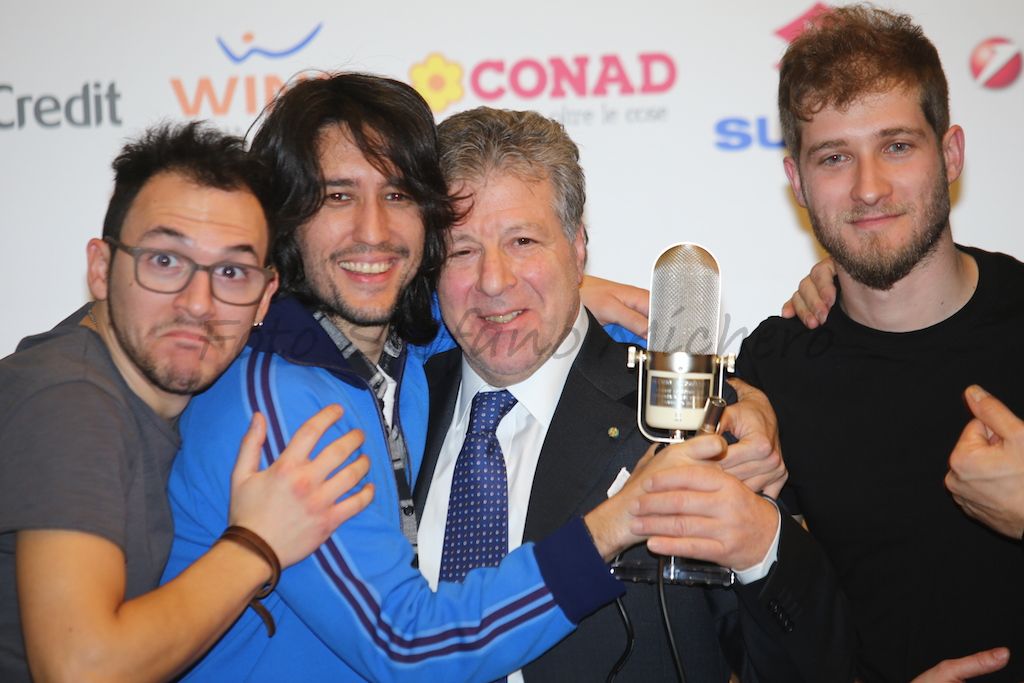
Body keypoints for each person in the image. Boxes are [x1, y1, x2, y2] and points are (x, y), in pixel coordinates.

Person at [163, 73, 731, 682]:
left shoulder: (397, 359)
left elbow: (487, 312)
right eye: (338, 196)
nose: (373, 230)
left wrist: (739, 400)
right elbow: (407, 647)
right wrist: (615, 524)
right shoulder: (279, 399)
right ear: (287, 221)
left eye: (397, 194)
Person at [411, 106, 853, 682]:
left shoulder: (697, 419)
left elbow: (816, 663)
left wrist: (764, 548)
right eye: (462, 250)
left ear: (577, 248)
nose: (493, 281)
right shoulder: (390, 408)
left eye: (522, 241)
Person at [0, 122, 374, 683]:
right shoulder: (71, 400)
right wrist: (257, 544)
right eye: (165, 262)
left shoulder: (125, 382)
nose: (198, 303)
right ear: (101, 269)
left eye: (232, 272)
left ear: (264, 298)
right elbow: (82, 669)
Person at [734, 5, 1024, 681]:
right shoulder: (771, 371)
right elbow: (763, 635)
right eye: (835, 157)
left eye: (896, 146)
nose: (868, 189)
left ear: (950, 154)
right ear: (798, 180)